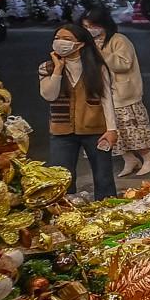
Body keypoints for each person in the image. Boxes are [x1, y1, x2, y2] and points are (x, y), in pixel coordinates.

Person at [38, 23, 118, 199]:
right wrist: (58, 70)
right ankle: (66, 214)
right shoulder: (47, 67)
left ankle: (108, 212)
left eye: (66, 39)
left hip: (95, 129)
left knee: (103, 176)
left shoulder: (97, 67)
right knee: (61, 178)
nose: (60, 42)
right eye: (57, 38)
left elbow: (107, 99)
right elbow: (49, 95)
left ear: (81, 44)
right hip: (61, 130)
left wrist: (112, 130)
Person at [82, 8, 150, 177]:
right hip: (101, 94)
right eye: (86, 26)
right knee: (113, 131)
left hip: (123, 94)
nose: (89, 29)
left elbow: (123, 65)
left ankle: (149, 157)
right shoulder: (89, 44)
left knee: (131, 128)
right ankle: (130, 159)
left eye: (92, 25)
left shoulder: (119, 40)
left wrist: (100, 53)